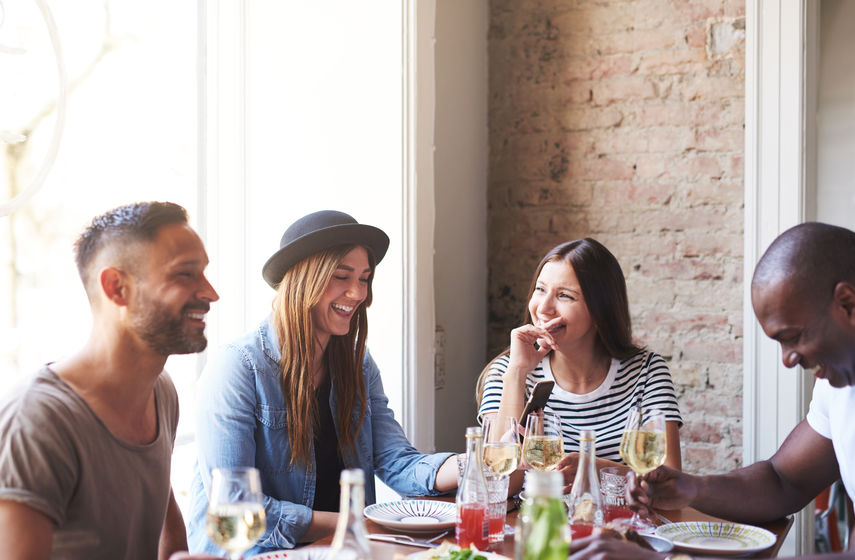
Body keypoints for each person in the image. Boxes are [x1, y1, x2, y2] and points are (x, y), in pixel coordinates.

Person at [570, 222, 855, 560]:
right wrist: (693, 488)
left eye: (792, 337)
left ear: (847, 304)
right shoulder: (837, 385)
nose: (788, 360)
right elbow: (783, 481)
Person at [188, 210, 458, 555]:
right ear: (303, 279)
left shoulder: (358, 365)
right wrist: (356, 524)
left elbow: (397, 461)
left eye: (364, 278)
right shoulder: (238, 367)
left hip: (338, 548)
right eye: (341, 276)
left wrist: (477, 465)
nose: (357, 292)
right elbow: (235, 504)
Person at [0, 201, 223, 560]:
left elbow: (169, 544)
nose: (210, 293)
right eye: (185, 274)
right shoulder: (36, 421)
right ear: (117, 287)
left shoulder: (160, 391)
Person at [477, 238, 682, 482]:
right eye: (540, 289)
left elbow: (670, 482)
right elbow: (495, 481)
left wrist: (593, 469)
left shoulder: (647, 371)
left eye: (565, 296)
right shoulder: (507, 371)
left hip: (621, 520)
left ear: (600, 310)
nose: (543, 307)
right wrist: (517, 373)